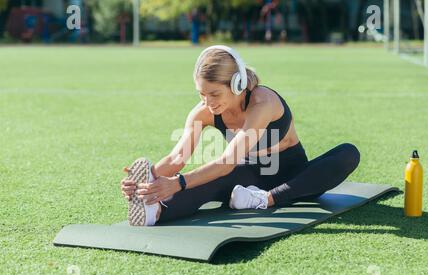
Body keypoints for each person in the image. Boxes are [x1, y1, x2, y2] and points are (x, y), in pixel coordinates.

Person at [121, 45, 360, 226]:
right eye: (201, 94)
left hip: (293, 176)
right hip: (247, 177)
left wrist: (178, 182)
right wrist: (148, 180)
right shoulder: (202, 113)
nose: (208, 102)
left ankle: (265, 200)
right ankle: (157, 211)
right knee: (209, 182)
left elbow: (226, 161)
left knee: (348, 153)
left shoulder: (263, 103)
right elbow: (177, 159)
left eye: (214, 94)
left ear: (237, 84)